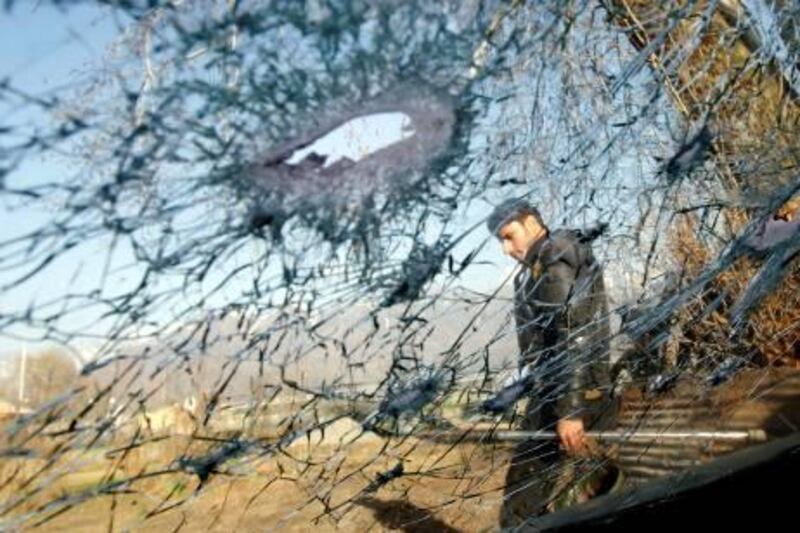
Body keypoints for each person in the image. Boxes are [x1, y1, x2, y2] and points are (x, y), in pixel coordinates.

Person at [486, 198, 616, 525]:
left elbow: (574, 332)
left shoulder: (555, 254)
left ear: (531, 224)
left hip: (571, 398)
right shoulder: (535, 269)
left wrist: (570, 411)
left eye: (508, 236)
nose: (505, 248)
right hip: (562, 394)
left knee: (523, 502)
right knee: (555, 497)